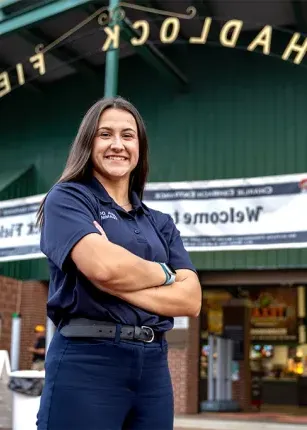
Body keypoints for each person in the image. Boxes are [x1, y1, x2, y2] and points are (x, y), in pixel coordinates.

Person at [36, 96, 202, 430]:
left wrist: (115, 281)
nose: (117, 145)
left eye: (128, 135)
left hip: (153, 366)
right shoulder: (67, 199)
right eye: (105, 134)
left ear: (139, 147)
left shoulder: (160, 223)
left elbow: (191, 300)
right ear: (88, 143)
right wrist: (164, 274)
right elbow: (105, 269)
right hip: (87, 359)